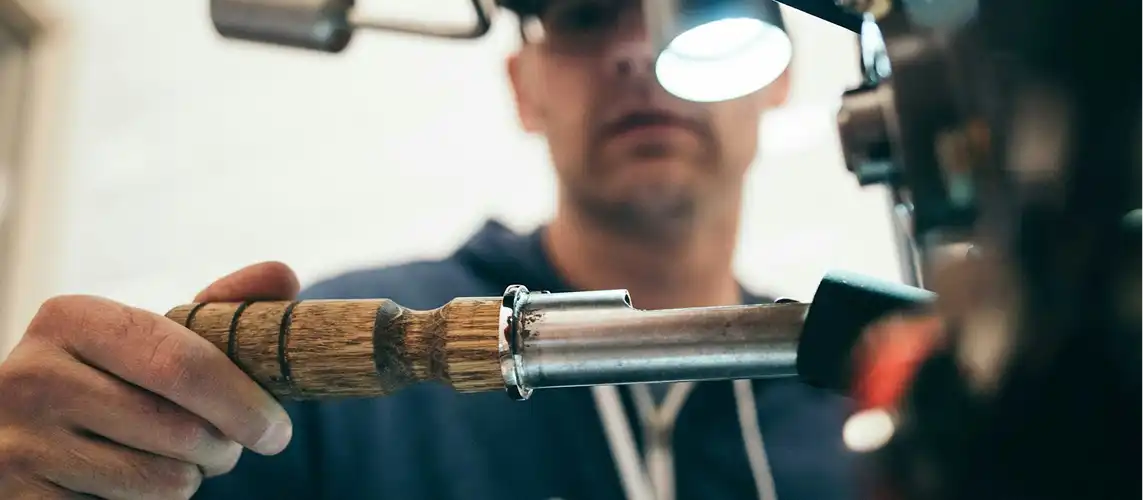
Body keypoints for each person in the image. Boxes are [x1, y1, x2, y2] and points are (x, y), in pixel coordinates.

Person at [0, 0, 858, 498]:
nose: (637, 51)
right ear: (524, 90)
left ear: (776, 75)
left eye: (693, 8)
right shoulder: (321, 380)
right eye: (586, 15)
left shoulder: (866, 402)